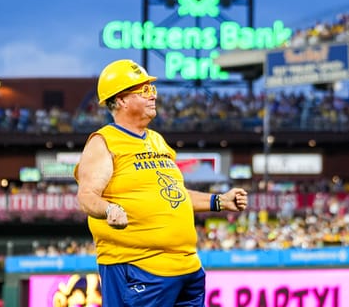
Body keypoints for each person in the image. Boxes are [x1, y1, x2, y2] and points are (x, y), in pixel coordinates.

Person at [74, 59, 248, 306]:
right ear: (121, 99)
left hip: (187, 268)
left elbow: (173, 195)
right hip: (139, 267)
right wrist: (109, 209)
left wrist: (218, 201)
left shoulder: (156, 140)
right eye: (144, 90)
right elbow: (87, 196)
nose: (152, 95)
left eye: (152, 89)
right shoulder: (104, 141)